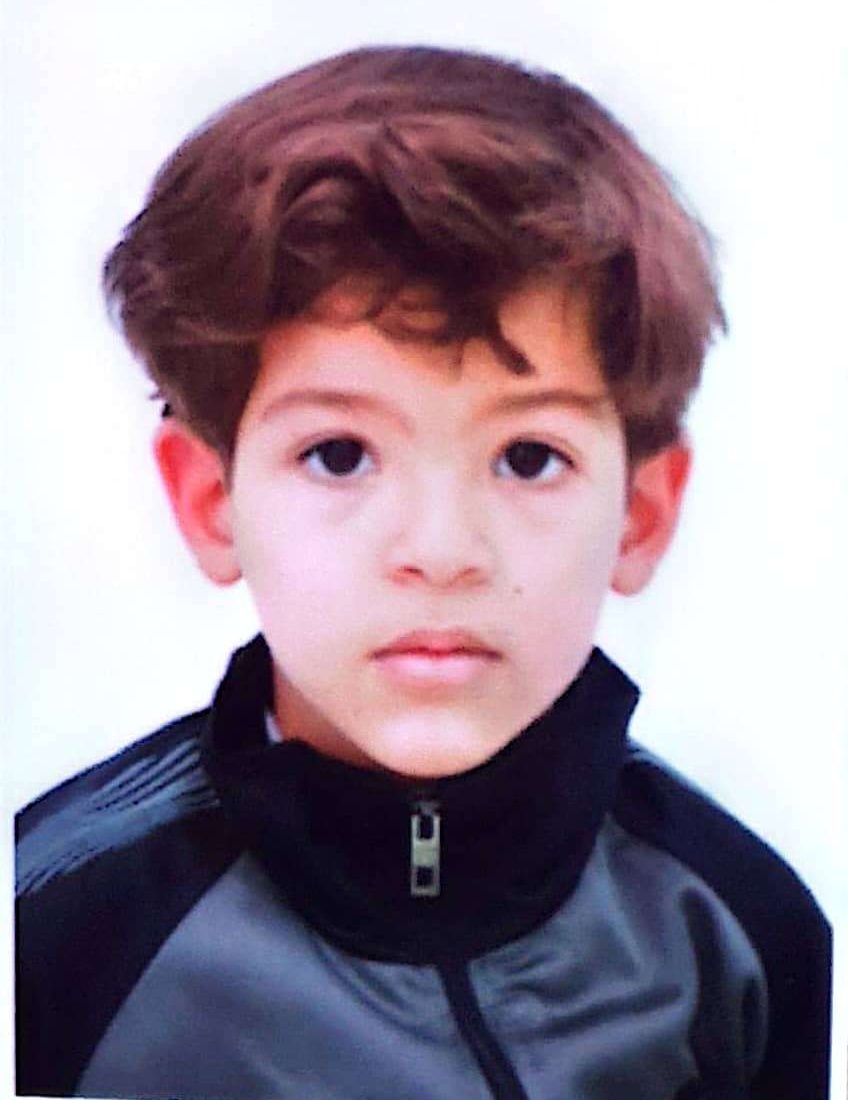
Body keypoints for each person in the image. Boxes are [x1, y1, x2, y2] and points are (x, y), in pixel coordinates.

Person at [14, 44, 831, 1100]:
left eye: (527, 458)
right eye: (338, 454)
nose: (441, 550)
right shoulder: (51, 930)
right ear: (211, 500)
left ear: (639, 513)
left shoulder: (742, 932)